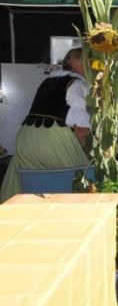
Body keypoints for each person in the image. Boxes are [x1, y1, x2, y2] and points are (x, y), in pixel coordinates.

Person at [0, 48, 90, 202]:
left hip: (26, 139)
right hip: (52, 140)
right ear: (80, 65)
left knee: (33, 187)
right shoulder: (78, 84)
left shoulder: (48, 81)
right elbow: (80, 128)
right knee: (83, 179)